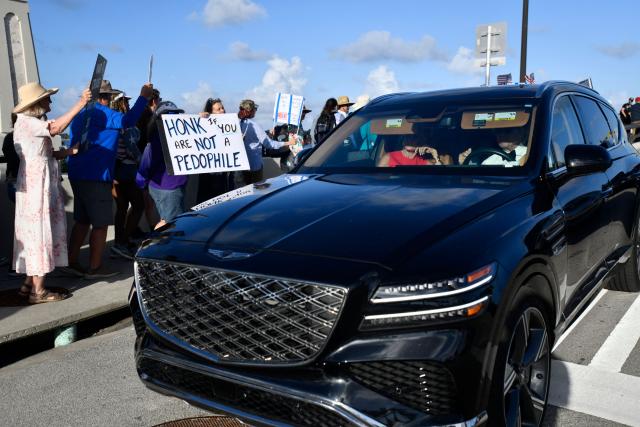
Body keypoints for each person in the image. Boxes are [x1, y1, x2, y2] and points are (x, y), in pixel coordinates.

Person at [64, 80, 152, 279]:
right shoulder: (103, 113)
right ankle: (95, 268)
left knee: (82, 220)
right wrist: (143, 97)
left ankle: (71, 261)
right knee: (101, 224)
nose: (109, 100)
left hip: (78, 174)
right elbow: (128, 121)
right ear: (103, 97)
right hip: (96, 176)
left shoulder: (80, 115)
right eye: (107, 96)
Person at [12, 82, 91, 303]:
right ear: (37, 104)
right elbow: (56, 128)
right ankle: (39, 291)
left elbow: (43, 153)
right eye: (47, 98)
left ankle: (29, 284)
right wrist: (81, 102)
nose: (51, 102)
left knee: (33, 233)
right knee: (39, 232)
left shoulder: (27, 123)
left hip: (36, 181)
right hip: (37, 185)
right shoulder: (29, 123)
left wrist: (67, 152)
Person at [136, 101, 188, 229]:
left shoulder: (181, 137)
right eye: (168, 114)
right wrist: (142, 183)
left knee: (169, 221)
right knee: (171, 225)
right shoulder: (155, 141)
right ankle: (154, 245)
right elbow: (145, 167)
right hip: (168, 189)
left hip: (172, 187)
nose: (173, 118)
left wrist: (203, 118)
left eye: (176, 114)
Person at [109, 92, 144, 259]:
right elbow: (131, 148)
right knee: (138, 205)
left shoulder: (113, 121)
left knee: (121, 208)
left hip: (116, 169)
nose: (128, 104)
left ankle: (119, 242)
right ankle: (122, 241)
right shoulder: (124, 122)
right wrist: (141, 160)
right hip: (126, 169)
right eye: (125, 101)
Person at [238, 99, 294, 184]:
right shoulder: (254, 125)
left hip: (240, 166)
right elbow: (269, 144)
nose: (256, 111)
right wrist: (288, 143)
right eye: (255, 109)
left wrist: (267, 134)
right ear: (251, 111)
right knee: (255, 191)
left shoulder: (236, 124)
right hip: (254, 165)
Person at [195, 98, 235, 204]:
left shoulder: (229, 127)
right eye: (218, 109)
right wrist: (200, 118)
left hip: (225, 177)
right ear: (210, 112)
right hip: (210, 178)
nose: (223, 110)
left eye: (223, 108)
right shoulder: (204, 125)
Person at [377, 134, 442, 167]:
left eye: (414, 137)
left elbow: (440, 177)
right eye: (408, 136)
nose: (410, 139)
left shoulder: (422, 162)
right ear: (403, 140)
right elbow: (379, 179)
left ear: (420, 143)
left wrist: (434, 154)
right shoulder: (389, 157)